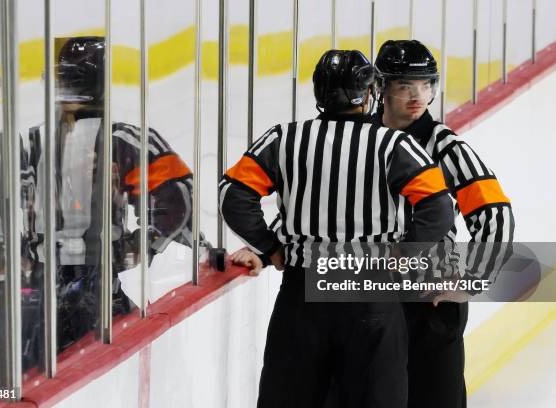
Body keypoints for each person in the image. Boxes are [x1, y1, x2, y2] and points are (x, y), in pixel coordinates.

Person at [0, 36, 210, 379]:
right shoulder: (125, 140)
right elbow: (177, 203)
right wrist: (136, 248)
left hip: (29, 299)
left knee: (26, 394)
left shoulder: (8, 145)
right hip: (97, 296)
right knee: (109, 386)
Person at [219, 49, 455, 407]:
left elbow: (233, 196)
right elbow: (438, 207)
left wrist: (269, 247)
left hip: (303, 294)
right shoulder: (393, 144)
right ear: (369, 94)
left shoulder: (285, 138)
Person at [373, 39, 515, 408]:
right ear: (380, 88)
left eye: (426, 85)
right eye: (405, 85)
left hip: (430, 303)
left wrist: (472, 278)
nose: (418, 95)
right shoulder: (359, 140)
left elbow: (494, 213)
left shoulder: (446, 147)